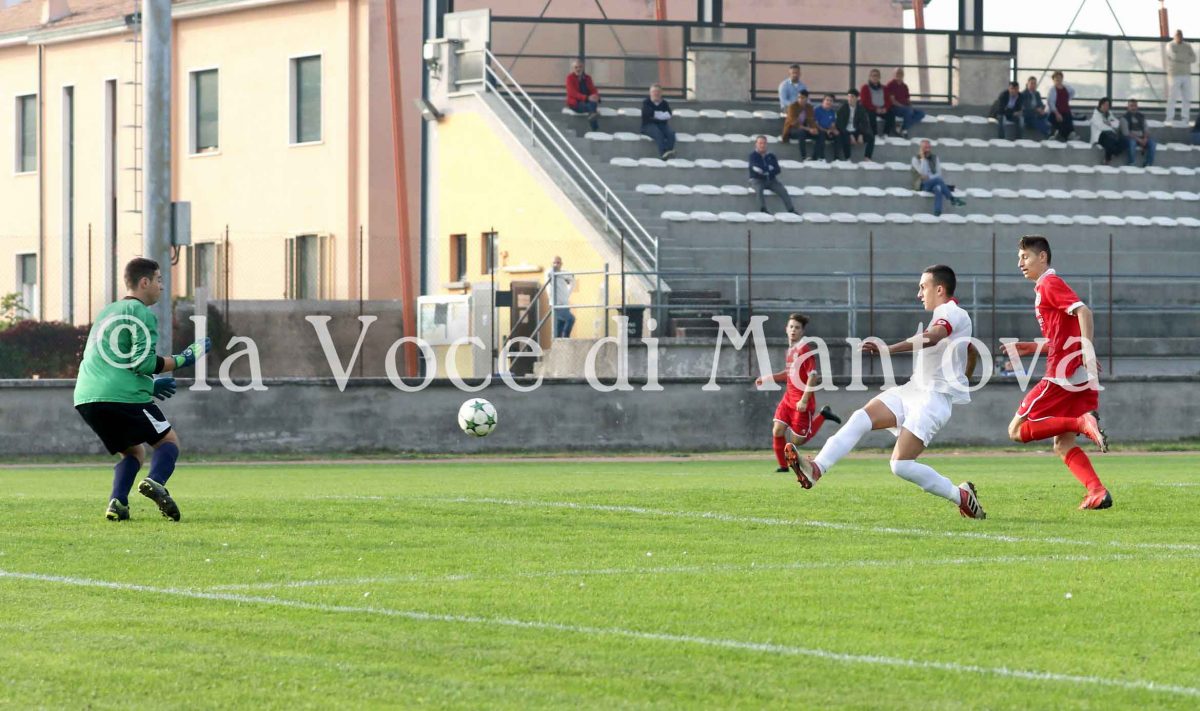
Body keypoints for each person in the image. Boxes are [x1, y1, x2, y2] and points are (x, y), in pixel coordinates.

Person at [785, 265, 985, 520]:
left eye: (923, 287)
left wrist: (888, 350)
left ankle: (960, 496)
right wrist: (963, 380)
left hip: (932, 400)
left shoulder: (951, 312)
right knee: (861, 418)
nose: (919, 294)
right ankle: (816, 469)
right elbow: (970, 351)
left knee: (900, 465)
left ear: (939, 289)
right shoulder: (949, 316)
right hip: (913, 390)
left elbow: (933, 337)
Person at [73, 257, 212, 521]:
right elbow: (143, 363)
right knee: (168, 441)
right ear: (144, 282)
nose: (162, 286)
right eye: (159, 280)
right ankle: (155, 481)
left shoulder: (107, 312)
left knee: (134, 451)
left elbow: (114, 359)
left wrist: (149, 385)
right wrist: (184, 359)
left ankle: (118, 502)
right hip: (121, 396)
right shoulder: (141, 313)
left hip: (86, 397)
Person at [1005, 235, 1112, 511]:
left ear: (1042, 257)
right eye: (1019, 258)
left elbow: (1084, 312)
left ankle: (1081, 423)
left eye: (1025, 257)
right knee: (1062, 445)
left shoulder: (1049, 283)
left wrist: (1087, 349)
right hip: (1079, 376)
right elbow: (1061, 337)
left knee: (1015, 431)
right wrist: (1032, 347)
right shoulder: (1044, 287)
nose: (1020, 263)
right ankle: (1097, 492)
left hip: (1062, 376)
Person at [756, 313, 842, 473]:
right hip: (788, 399)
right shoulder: (791, 350)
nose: (793, 330)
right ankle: (783, 466)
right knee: (777, 430)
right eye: (791, 327)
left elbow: (813, 376)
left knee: (797, 441)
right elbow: (789, 373)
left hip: (801, 402)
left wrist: (804, 400)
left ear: (802, 331)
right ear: (786, 329)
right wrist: (769, 378)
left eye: (797, 327)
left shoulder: (804, 350)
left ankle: (823, 415)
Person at [910, 139, 964, 216]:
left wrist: (930, 177)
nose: (928, 149)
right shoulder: (915, 159)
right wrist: (923, 159)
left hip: (933, 182)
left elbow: (939, 174)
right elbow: (922, 173)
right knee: (938, 180)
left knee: (938, 188)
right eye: (925, 147)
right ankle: (952, 199)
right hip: (922, 185)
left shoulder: (935, 157)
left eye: (929, 147)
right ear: (921, 148)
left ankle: (937, 212)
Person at [747, 135, 796, 213]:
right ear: (756, 144)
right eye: (760, 143)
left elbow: (777, 169)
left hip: (771, 180)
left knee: (782, 190)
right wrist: (768, 168)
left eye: (764, 143)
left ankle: (791, 209)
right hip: (757, 180)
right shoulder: (753, 156)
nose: (762, 145)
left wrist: (766, 171)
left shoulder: (771, 156)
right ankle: (763, 209)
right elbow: (756, 168)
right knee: (759, 190)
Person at [835, 88, 875, 162]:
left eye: (852, 97)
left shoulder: (861, 109)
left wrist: (861, 134)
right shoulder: (842, 108)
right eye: (849, 96)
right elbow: (840, 124)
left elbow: (864, 123)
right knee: (845, 138)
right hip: (845, 131)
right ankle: (848, 158)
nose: (850, 99)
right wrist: (849, 134)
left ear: (857, 98)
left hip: (856, 131)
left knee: (871, 137)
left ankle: (867, 157)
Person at [1166, 30, 1196, 124]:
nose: (1179, 37)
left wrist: (1181, 58)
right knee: (1172, 97)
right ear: (1174, 36)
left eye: (1180, 35)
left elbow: (1194, 58)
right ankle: (1169, 118)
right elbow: (1174, 56)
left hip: (1186, 74)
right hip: (1174, 74)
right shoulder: (1170, 45)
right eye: (1177, 35)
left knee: (1187, 97)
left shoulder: (1187, 46)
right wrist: (1186, 58)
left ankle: (1185, 118)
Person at [640, 83, 676, 159]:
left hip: (662, 125)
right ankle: (663, 153)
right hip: (648, 125)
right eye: (654, 92)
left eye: (658, 92)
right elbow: (648, 114)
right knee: (658, 134)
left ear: (661, 93)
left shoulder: (664, 103)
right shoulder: (646, 103)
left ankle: (669, 151)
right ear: (650, 93)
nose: (656, 94)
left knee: (671, 133)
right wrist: (661, 115)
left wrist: (656, 115)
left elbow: (669, 114)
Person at [886, 68, 925, 136]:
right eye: (897, 73)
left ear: (903, 75)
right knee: (908, 111)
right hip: (895, 108)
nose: (899, 74)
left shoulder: (904, 86)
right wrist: (904, 107)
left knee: (921, 113)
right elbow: (892, 101)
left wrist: (910, 106)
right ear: (894, 74)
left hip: (905, 108)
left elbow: (907, 99)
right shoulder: (891, 84)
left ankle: (903, 127)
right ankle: (904, 130)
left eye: (901, 73)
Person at [780, 90, 819, 159]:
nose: (800, 99)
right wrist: (809, 129)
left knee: (820, 133)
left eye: (802, 98)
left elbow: (811, 120)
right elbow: (794, 123)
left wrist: (814, 128)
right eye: (799, 97)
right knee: (801, 132)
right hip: (792, 129)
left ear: (807, 98)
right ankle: (803, 156)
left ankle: (816, 157)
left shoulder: (809, 107)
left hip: (805, 128)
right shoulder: (792, 106)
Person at [565, 59, 601, 131]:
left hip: (586, 101)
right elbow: (572, 93)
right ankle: (595, 128)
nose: (578, 69)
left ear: (583, 67)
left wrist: (596, 97)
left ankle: (593, 116)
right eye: (576, 67)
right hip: (575, 103)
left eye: (580, 67)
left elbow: (593, 89)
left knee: (593, 103)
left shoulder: (587, 78)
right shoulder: (570, 78)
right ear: (573, 68)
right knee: (591, 107)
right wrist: (587, 98)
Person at [859, 68, 895, 138]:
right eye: (873, 75)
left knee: (891, 114)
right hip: (871, 109)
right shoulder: (865, 87)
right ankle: (875, 135)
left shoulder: (884, 88)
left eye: (877, 76)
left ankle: (886, 134)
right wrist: (875, 109)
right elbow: (864, 102)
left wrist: (885, 108)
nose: (875, 77)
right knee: (871, 115)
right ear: (870, 77)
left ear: (879, 77)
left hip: (882, 109)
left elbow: (888, 101)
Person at [1121, 98, 1156, 167]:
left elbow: (1146, 129)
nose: (1133, 108)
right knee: (1132, 143)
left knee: (1152, 144)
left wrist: (1145, 138)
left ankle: (1148, 164)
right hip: (1130, 138)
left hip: (1142, 137)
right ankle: (1131, 163)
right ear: (1128, 107)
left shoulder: (1142, 116)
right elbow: (1126, 133)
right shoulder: (1124, 118)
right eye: (1131, 106)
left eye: (1135, 106)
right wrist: (1139, 140)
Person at [1089, 97, 1125, 164]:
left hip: (1110, 135)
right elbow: (1101, 126)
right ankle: (1107, 159)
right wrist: (1110, 126)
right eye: (1104, 105)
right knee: (1110, 140)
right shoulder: (1096, 115)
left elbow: (1117, 123)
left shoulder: (1109, 113)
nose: (1106, 107)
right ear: (1100, 105)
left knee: (1124, 140)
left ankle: (1111, 155)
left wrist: (1109, 123)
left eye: (1108, 105)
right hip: (1099, 136)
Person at [549, 255, 575, 338]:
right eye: (554, 263)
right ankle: (565, 338)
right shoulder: (550, 273)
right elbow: (550, 273)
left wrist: (567, 293)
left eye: (558, 263)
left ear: (561, 264)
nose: (556, 265)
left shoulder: (563, 273)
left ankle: (559, 341)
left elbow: (572, 279)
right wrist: (565, 276)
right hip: (556, 305)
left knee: (559, 326)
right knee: (571, 319)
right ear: (551, 264)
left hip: (565, 304)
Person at [1047, 71, 1076, 142]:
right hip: (1055, 112)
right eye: (1056, 78)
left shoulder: (1066, 88)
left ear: (1062, 78)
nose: (1058, 79)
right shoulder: (1052, 90)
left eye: (1059, 78)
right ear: (1053, 80)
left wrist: (1066, 100)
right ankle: (1064, 136)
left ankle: (1066, 135)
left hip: (1066, 110)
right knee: (1060, 120)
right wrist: (1057, 114)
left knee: (1068, 120)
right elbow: (1051, 103)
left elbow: (1072, 92)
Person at [812, 94, 840, 161]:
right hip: (818, 130)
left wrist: (833, 130)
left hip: (828, 130)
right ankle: (819, 157)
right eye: (827, 100)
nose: (829, 102)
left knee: (838, 134)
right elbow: (816, 125)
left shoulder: (832, 112)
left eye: (831, 101)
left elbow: (833, 124)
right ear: (823, 101)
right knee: (821, 134)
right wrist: (826, 131)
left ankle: (837, 158)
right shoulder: (817, 110)